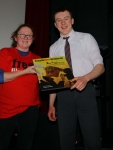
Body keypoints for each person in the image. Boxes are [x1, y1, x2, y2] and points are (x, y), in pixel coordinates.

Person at [47, 6, 105, 150]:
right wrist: (51, 104)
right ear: (55, 25)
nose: (63, 22)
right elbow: (53, 80)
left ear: (72, 20)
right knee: (65, 141)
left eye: (66, 18)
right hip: (63, 95)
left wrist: (85, 78)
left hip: (85, 92)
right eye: (58, 20)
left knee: (92, 139)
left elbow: (100, 66)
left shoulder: (86, 38)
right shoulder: (53, 48)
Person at [0, 23, 41, 150]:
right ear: (15, 37)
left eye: (29, 35)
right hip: (6, 110)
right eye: (22, 34)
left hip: (30, 110)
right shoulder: (5, 52)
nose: (25, 37)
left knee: (26, 146)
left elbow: (48, 84)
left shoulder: (38, 59)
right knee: (1, 146)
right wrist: (25, 71)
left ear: (32, 39)